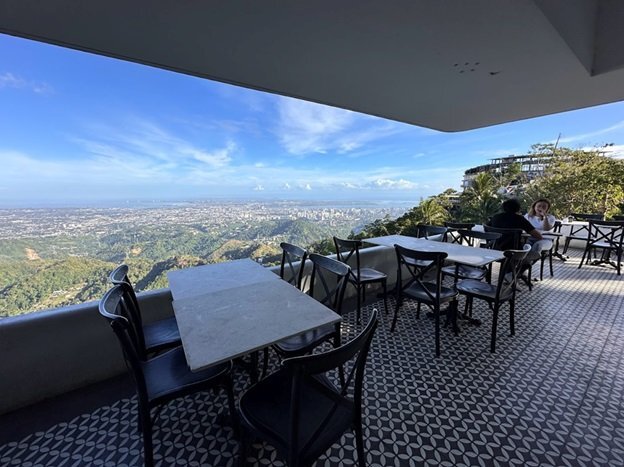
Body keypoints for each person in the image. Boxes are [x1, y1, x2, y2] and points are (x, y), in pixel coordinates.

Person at [488, 198, 552, 263]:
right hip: (514, 251)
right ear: (518, 209)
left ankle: (511, 270)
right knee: (528, 249)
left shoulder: (496, 217)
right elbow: (538, 236)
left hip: (494, 248)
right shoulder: (520, 219)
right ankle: (523, 266)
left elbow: (486, 229)